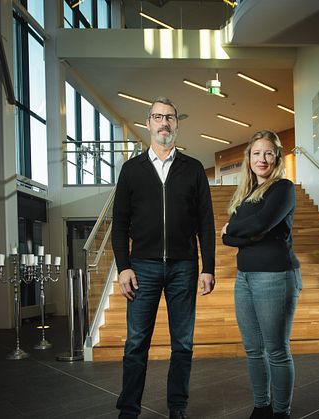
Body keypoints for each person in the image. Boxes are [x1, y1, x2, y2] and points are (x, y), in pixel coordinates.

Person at [112, 97, 216, 419]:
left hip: (184, 267)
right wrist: (123, 267)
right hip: (142, 266)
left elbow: (206, 223)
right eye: (157, 117)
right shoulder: (132, 170)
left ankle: (177, 408)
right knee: (136, 344)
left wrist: (207, 267)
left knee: (182, 343)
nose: (164, 123)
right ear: (148, 124)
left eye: (169, 117)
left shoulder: (193, 169)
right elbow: (119, 224)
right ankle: (129, 409)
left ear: (176, 124)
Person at [221, 130, 301, 419]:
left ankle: (281, 412)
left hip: (275, 276)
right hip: (245, 278)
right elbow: (230, 238)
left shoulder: (283, 188)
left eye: (268, 152)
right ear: (249, 158)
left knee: (276, 351)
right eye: (256, 153)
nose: (262, 159)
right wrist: (245, 233)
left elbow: (260, 224)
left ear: (277, 157)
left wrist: (238, 231)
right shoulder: (244, 195)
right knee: (253, 349)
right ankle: (261, 407)